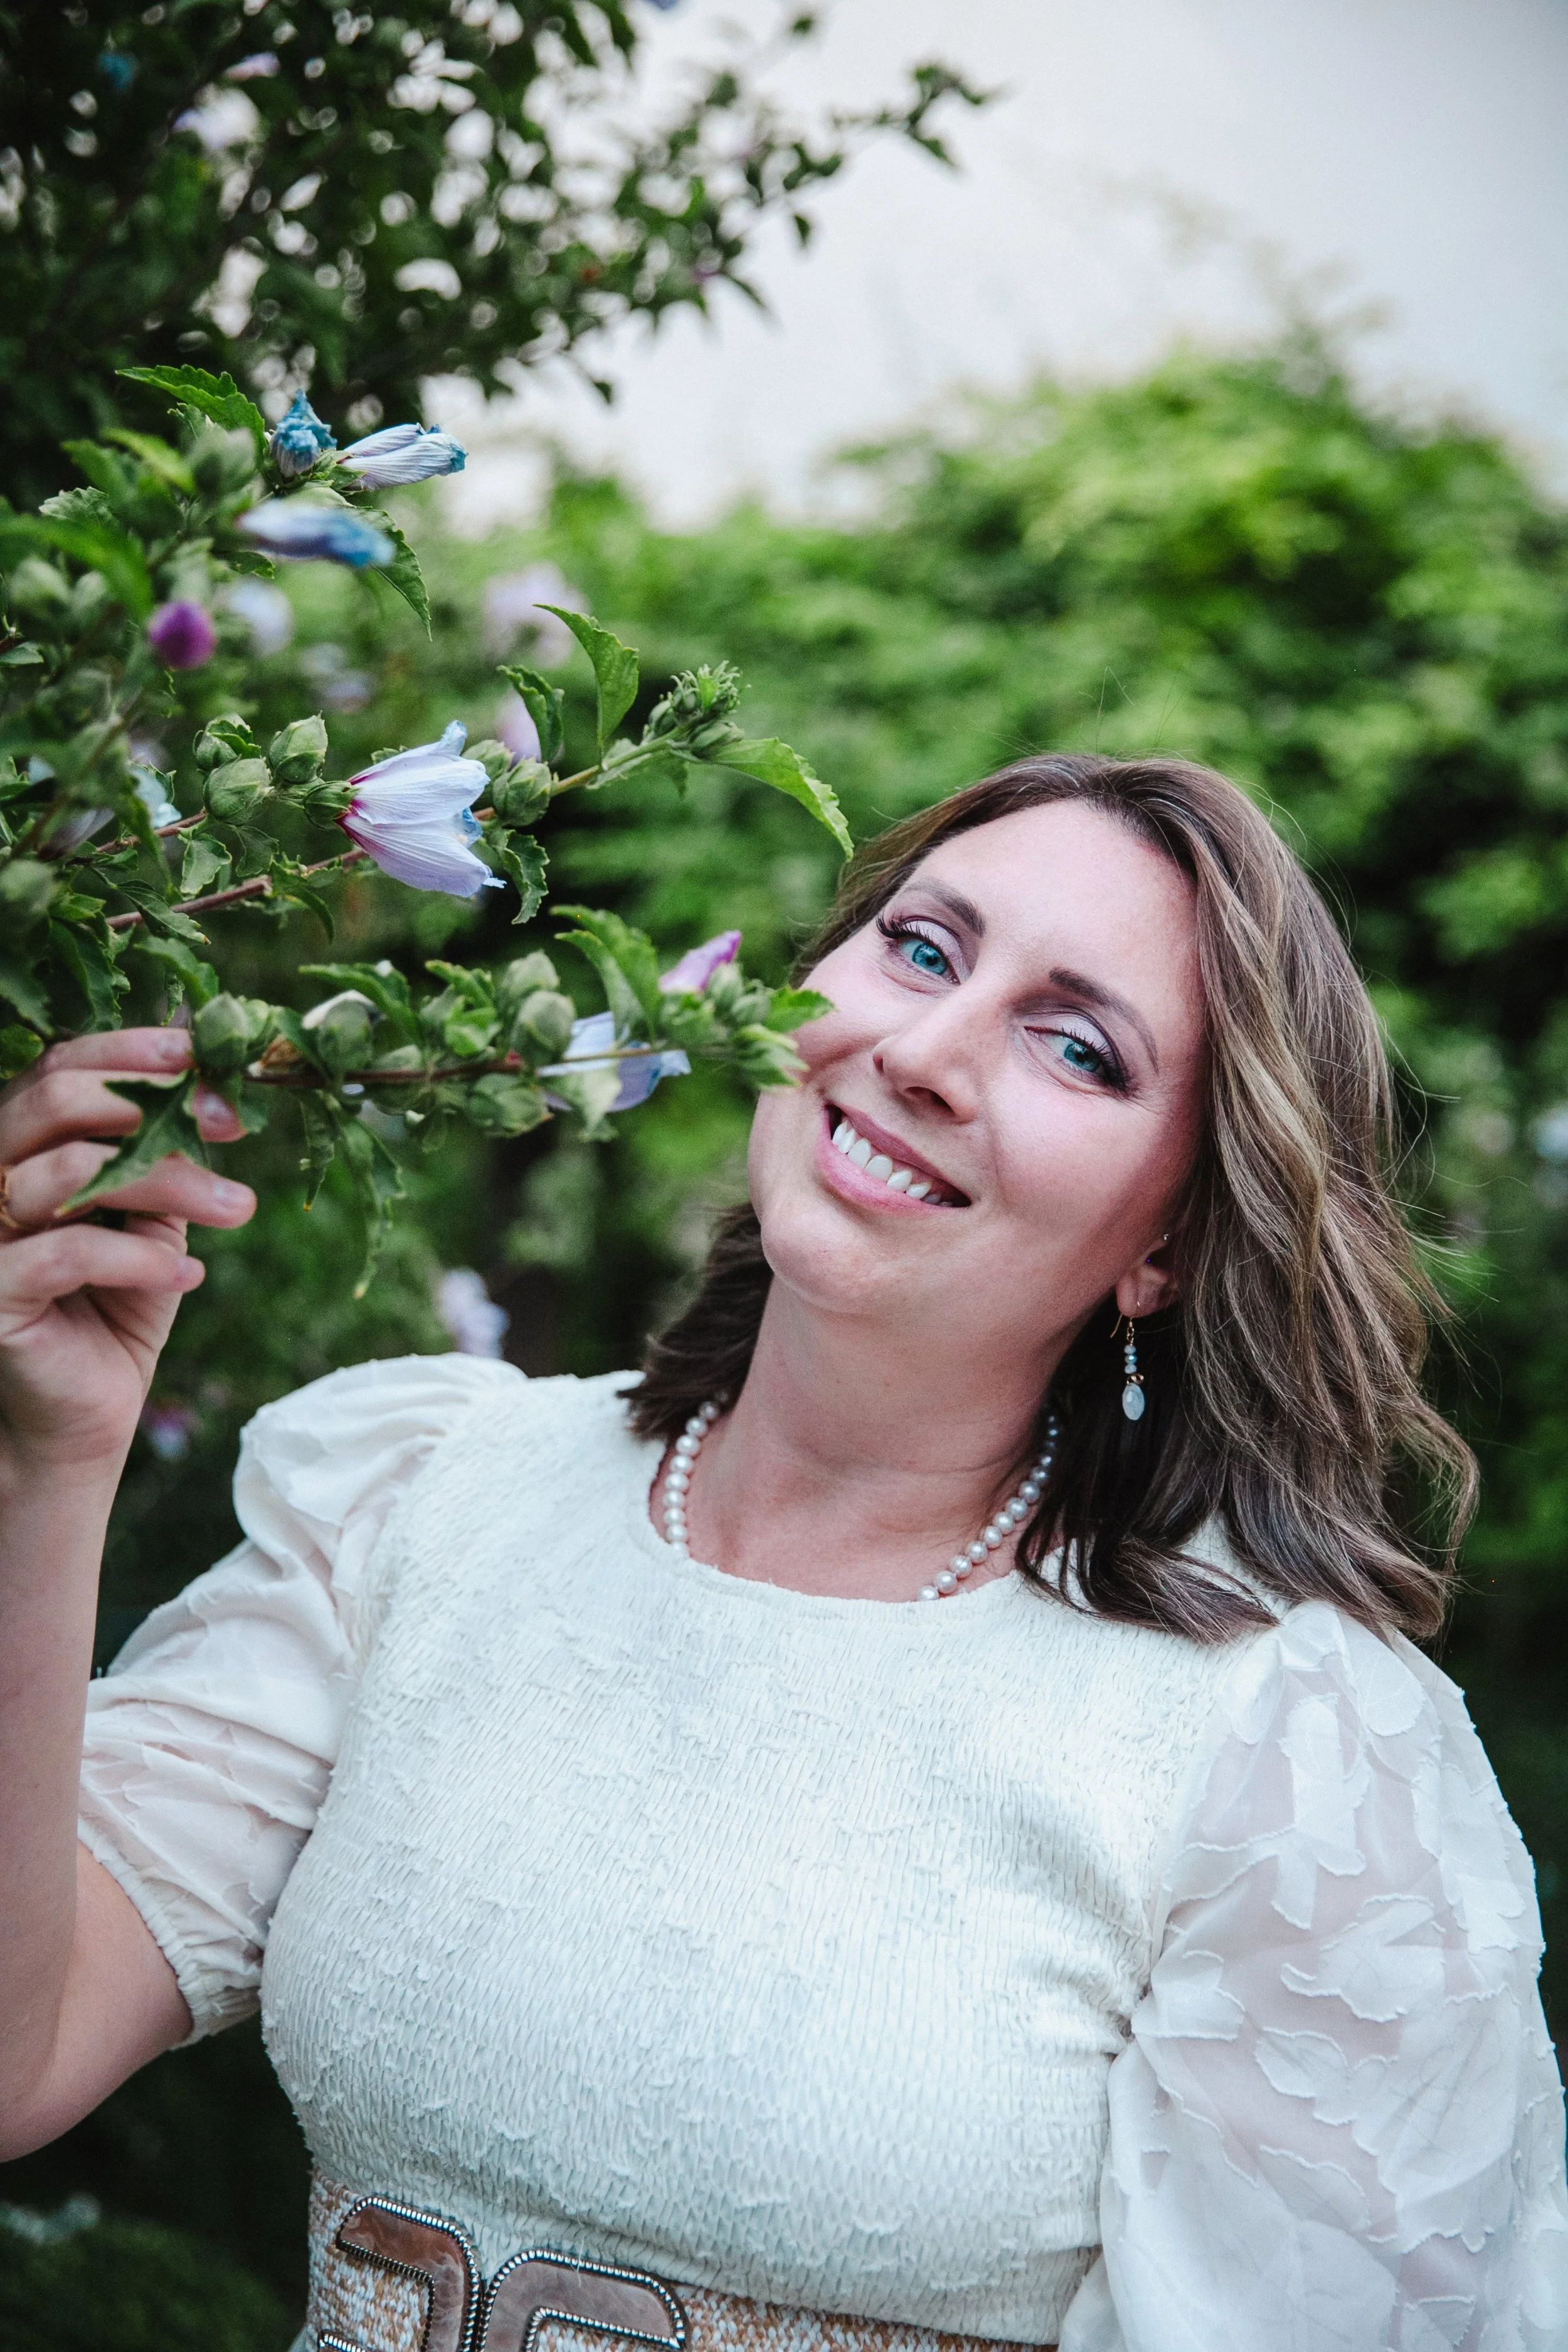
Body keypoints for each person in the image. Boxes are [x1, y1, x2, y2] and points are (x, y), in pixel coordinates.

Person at [0, 753, 1564, 2352]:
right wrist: (45, 1463)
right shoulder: (426, 1497)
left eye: (1077, 1047)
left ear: (1163, 1247)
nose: (927, 1052)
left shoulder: (1284, 1756)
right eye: (922, 948)